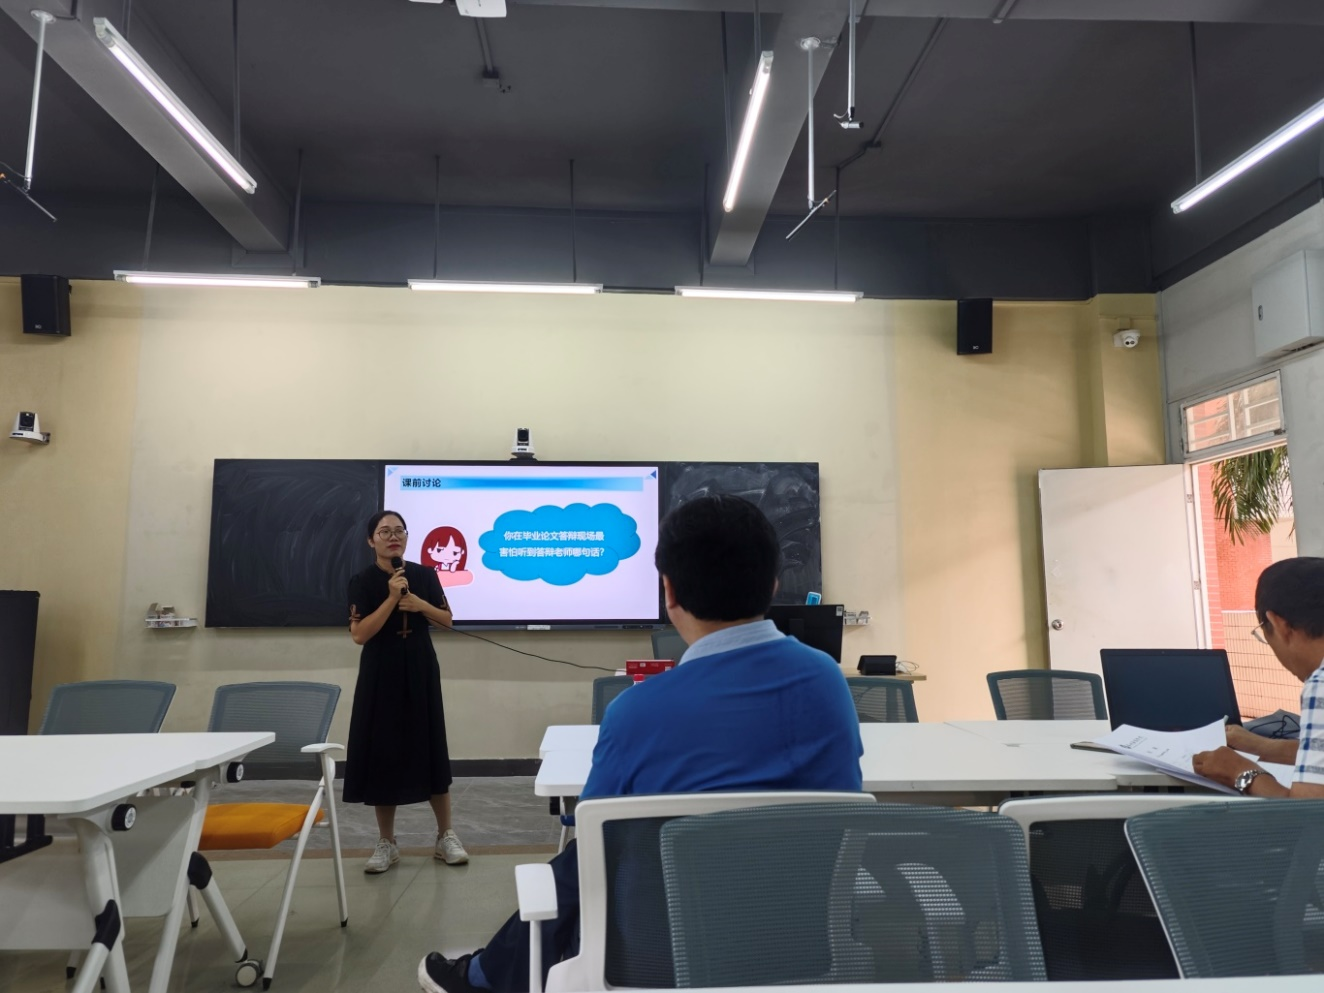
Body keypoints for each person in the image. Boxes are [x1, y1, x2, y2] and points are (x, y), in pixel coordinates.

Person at [418, 494, 864, 993]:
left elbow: (593, 831)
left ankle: (486, 978)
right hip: (799, 944)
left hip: (661, 955)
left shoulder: (638, 710)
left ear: (668, 590)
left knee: (582, 860)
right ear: (774, 583)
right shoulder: (827, 682)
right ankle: (486, 974)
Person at [346, 510, 469, 872]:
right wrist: (390, 599)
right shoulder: (362, 581)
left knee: (430, 748)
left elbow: (446, 620)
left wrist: (419, 604)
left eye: (399, 530)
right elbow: (359, 635)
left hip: (420, 669)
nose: (393, 537)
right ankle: (387, 842)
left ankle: (445, 836)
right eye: (384, 531)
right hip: (380, 673)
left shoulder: (424, 574)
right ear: (371, 540)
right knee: (382, 753)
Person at [1191, 556, 1324, 798]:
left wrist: (1240, 772)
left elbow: (1309, 813)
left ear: (1279, 625)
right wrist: (1262, 746)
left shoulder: (1320, 684)